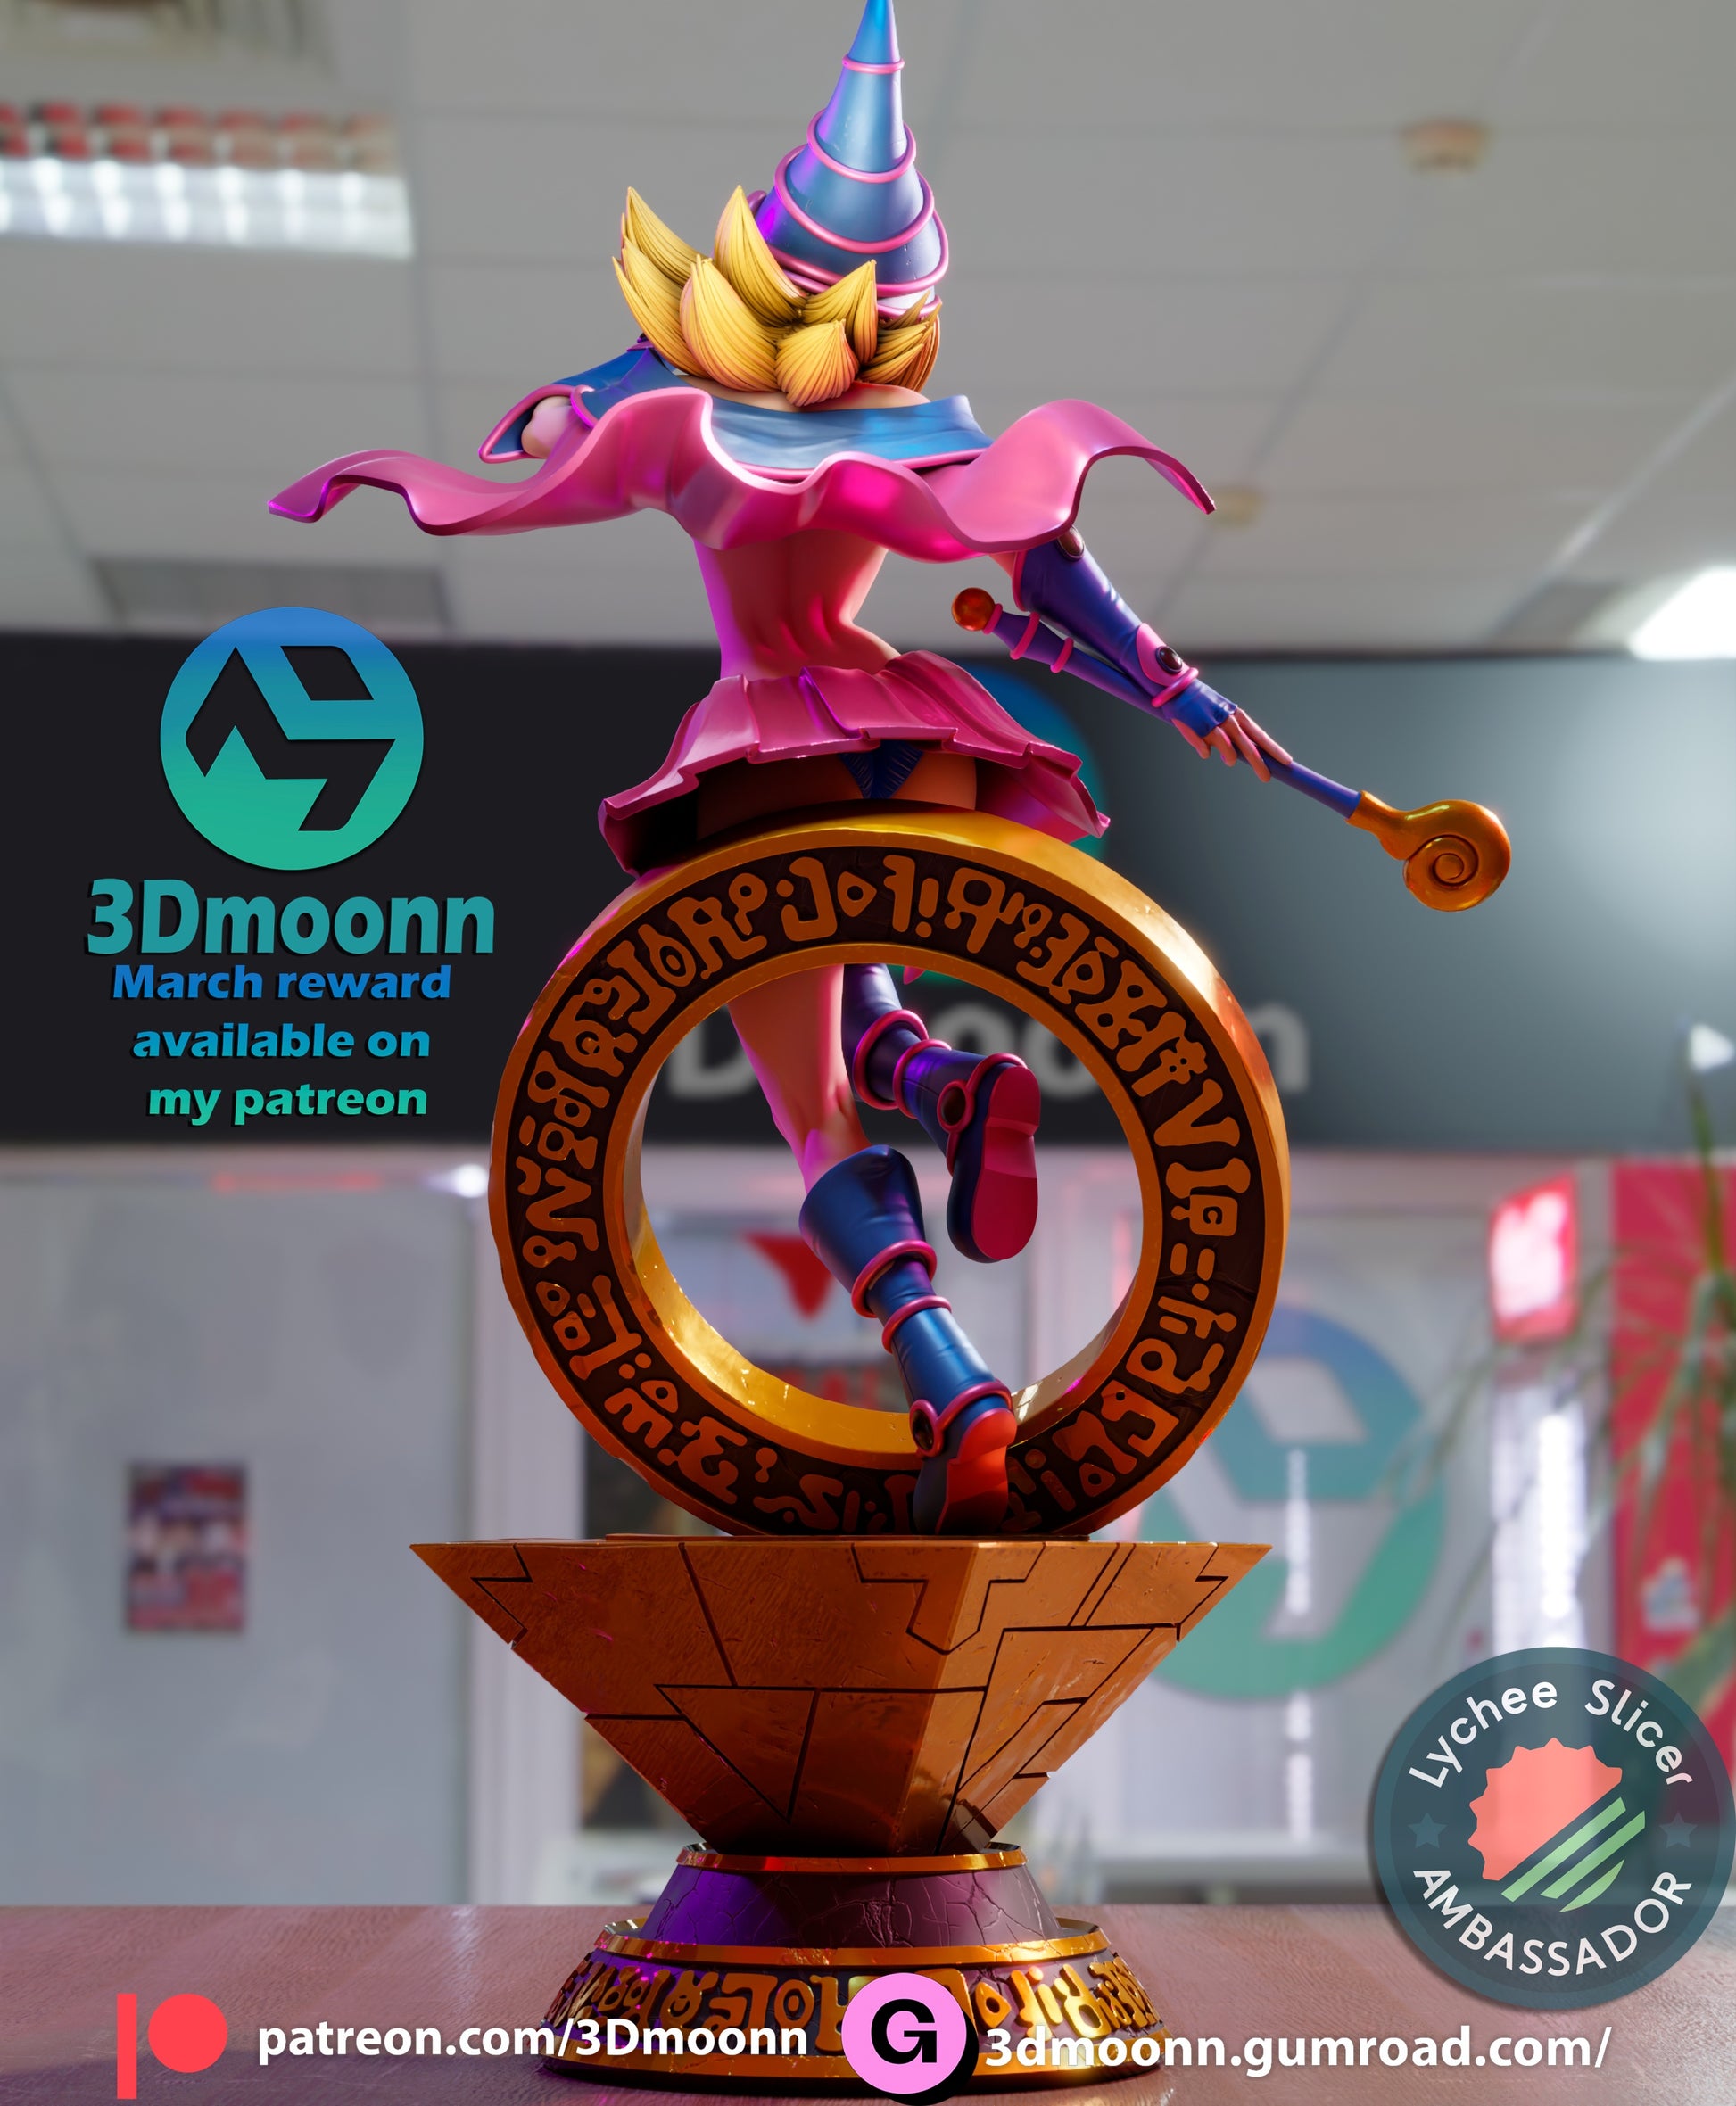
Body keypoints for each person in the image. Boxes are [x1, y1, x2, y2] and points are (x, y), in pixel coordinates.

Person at [270, 0, 1287, 1535]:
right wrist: (1179, 687)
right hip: (919, 734)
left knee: (808, 1109)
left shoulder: (684, 425)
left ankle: (948, 1375)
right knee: (854, 965)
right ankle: (943, 1078)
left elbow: (531, 462)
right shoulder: (917, 442)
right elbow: (1052, 565)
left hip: (770, 748)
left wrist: (431, 459)